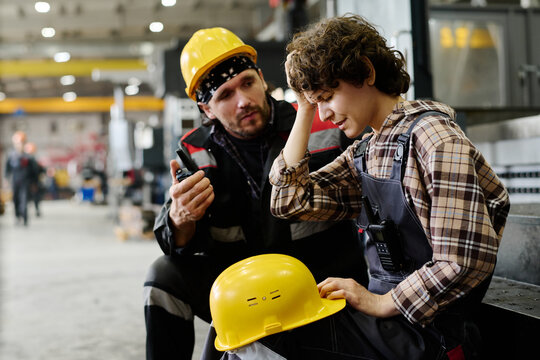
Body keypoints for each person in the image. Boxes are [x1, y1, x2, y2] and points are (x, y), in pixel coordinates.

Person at [217, 15, 510, 359]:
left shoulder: (435, 139)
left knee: (263, 341)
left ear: (366, 73)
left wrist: (382, 301)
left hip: (432, 335)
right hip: (390, 325)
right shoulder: (368, 150)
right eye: (316, 102)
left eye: (327, 96)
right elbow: (289, 200)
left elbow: (464, 261)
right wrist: (304, 109)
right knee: (239, 324)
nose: (324, 114)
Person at [143, 27, 368, 360]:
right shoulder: (195, 153)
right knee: (162, 277)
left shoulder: (319, 124)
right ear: (206, 110)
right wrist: (181, 218)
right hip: (240, 290)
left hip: (317, 282)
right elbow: (176, 243)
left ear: (262, 78)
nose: (243, 101)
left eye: (247, 83)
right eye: (224, 95)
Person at [4, 131, 34, 226]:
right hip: (15, 181)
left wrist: (34, 182)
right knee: (16, 200)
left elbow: (33, 171)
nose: (19, 145)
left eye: (21, 143)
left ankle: (24, 217)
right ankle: (17, 217)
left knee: (24, 200)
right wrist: (6, 179)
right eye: (18, 143)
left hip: (25, 182)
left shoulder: (28, 157)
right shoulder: (11, 156)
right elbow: (7, 168)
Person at [24, 142, 45, 217]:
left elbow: (39, 170)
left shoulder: (34, 160)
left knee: (36, 197)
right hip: (27, 182)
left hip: (33, 181)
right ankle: (24, 211)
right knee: (25, 197)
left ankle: (36, 210)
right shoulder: (25, 160)